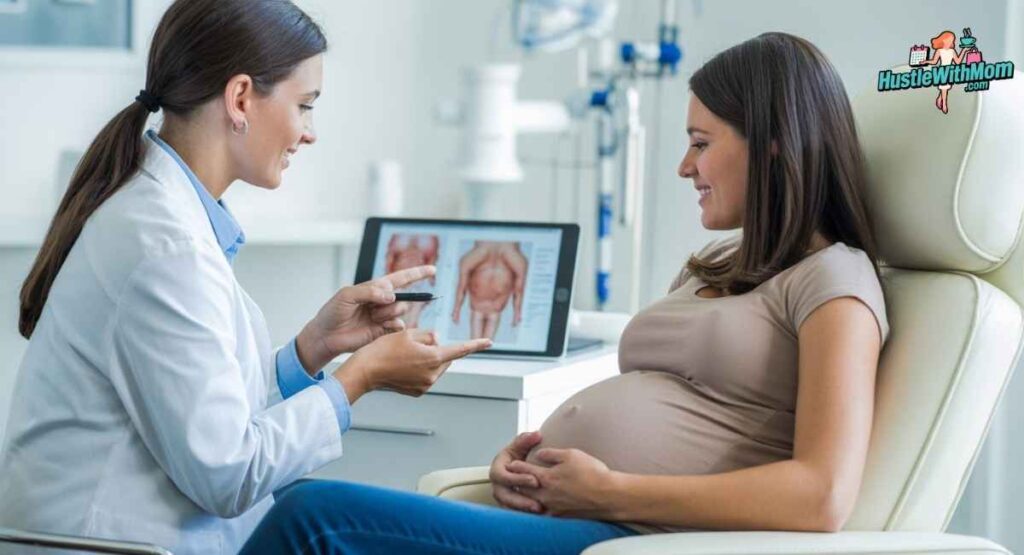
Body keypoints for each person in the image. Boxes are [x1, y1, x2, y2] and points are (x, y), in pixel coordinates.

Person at [239, 31, 890, 554]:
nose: (684, 167)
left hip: (632, 536)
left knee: (315, 516)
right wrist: (525, 461)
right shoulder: (716, 267)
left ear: (773, 147)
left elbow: (821, 494)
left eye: (700, 143)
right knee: (303, 499)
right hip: (578, 515)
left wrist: (610, 490)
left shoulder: (835, 282)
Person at [0, 1, 490, 554]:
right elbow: (229, 473)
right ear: (239, 99)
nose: (309, 133)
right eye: (304, 106)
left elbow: (205, 410)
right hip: (111, 544)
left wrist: (312, 349)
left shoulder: (162, 217)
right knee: (322, 516)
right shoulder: (166, 246)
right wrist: (356, 379)